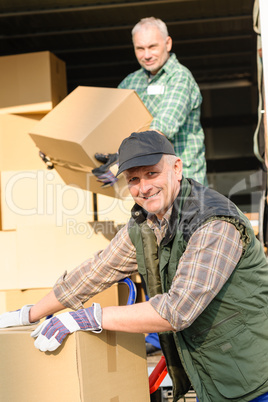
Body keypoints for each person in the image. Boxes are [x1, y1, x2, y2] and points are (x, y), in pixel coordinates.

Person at [1, 130, 268, 402]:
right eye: (134, 180)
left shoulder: (213, 223)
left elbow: (176, 310)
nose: (143, 188)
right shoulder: (148, 222)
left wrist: (90, 317)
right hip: (214, 380)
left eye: (152, 174)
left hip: (254, 379)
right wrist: (29, 314)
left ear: (176, 168)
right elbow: (98, 270)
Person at [93, 17, 207, 188]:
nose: (146, 55)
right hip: (145, 183)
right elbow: (109, 123)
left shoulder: (180, 77)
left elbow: (161, 129)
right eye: (140, 48)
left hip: (182, 181)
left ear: (167, 44)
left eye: (152, 47)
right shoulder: (130, 83)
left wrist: (119, 159)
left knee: (185, 214)